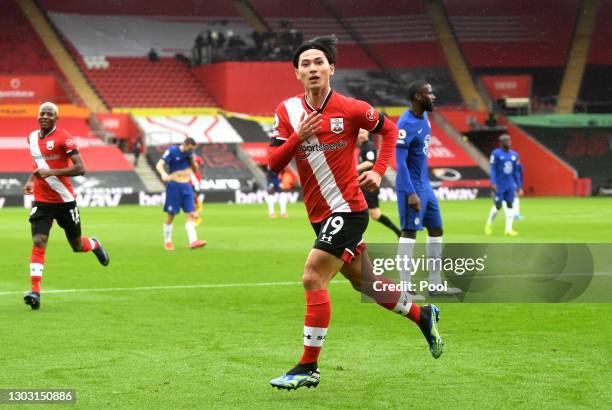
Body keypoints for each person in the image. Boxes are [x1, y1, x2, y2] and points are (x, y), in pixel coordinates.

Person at [267, 35, 443, 391]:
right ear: (297, 73)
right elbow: (273, 163)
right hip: (319, 214)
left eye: (319, 62)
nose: (313, 68)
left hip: (348, 209)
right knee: (365, 282)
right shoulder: (287, 112)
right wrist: (297, 137)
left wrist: (379, 169)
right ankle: (423, 315)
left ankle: (308, 366)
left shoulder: (350, 108)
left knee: (312, 277)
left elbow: (389, 129)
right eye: (306, 64)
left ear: (331, 69)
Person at [23, 102, 110, 310]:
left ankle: (94, 244)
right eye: (42, 113)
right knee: (39, 241)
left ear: (56, 118)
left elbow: (80, 168)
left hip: (64, 200)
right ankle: (35, 292)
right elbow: (39, 166)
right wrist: (30, 180)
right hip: (42, 200)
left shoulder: (64, 138)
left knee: (77, 246)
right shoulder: (32, 138)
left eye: (49, 114)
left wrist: (51, 173)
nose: (44, 116)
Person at [395, 81, 461, 297]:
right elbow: (400, 161)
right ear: (417, 97)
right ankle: (404, 289)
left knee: (436, 228)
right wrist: (410, 192)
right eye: (429, 93)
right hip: (411, 187)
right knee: (409, 232)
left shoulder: (424, 118)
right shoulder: (405, 124)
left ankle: (435, 285)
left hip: (425, 186)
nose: (433, 96)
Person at [155, 137, 206, 250]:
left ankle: (193, 241)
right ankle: (167, 241)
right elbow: (159, 164)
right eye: (190, 148)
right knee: (171, 215)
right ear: (186, 144)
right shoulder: (172, 151)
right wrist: (163, 174)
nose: (191, 150)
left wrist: (192, 160)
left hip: (186, 186)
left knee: (190, 214)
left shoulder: (190, 154)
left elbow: (195, 170)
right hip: (175, 186)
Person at [357, 128, 400, 237]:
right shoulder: (363, 147)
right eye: (359, 133)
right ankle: (355, 239)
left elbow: (370, 162)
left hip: (370, 184)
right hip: (364, 184)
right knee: (357, 211)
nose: (361, 135)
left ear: (367, 133)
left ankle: (399, 233)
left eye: (363, 132)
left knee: (375, 214)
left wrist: (354, 168)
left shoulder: (369, 146)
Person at [484, 134, 522, 236]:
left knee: (510, 205)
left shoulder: (514, 155)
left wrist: (519, 186)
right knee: (498, 205)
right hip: (499, 184)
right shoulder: (496, 154)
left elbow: (516, 172)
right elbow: (492, 169)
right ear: (501, 143)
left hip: (509, 184)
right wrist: (493, 183)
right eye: (506, 141)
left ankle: (508, 230)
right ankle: (489, 223)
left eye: (509, 140)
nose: (509, 143)